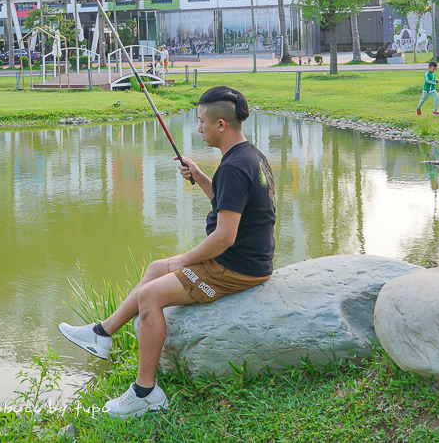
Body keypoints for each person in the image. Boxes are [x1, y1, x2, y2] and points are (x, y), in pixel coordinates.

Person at [58, 86, 276, 419]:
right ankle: (101, 333)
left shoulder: (233, 167)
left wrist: (185, 260)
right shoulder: (250, 156)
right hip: (246, 261)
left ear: (221, 124)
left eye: (202, 122)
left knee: (151, 295)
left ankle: (145, 392)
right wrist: (201, 176)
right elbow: (228, 206)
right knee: (155, 267)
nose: (198, 129)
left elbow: (225, 237)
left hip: (233, 270)